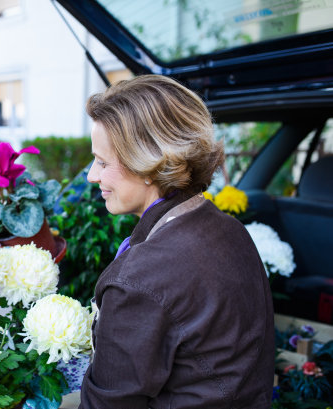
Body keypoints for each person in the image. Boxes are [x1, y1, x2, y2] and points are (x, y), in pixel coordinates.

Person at [79, 75, 275, 408]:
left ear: (148, 162)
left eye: (102, 162)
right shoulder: (230, 229)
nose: (92, 176)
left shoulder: (137, 280)